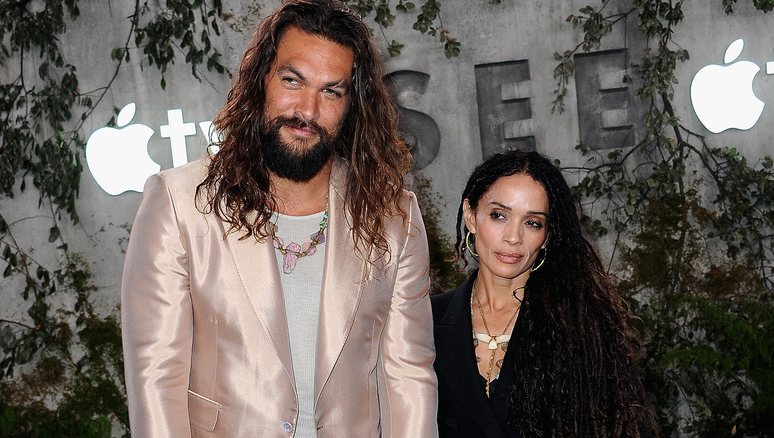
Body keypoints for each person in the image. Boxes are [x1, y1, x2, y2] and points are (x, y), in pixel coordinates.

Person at [120, 1, 438, 436]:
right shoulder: (180, 204)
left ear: (352, 106)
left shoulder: (393, 217)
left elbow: (409, 380)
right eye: (293, 81)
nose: (307, 110)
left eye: (331, 91)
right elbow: (155, 380)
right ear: (261, 81)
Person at [431, 149, 656, 437]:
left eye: (532, 222)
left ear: (547, 234)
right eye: (499, 215)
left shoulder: (581, 328)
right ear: (471, 216)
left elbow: (625, 428)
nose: (513, 237)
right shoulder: (423, 320)